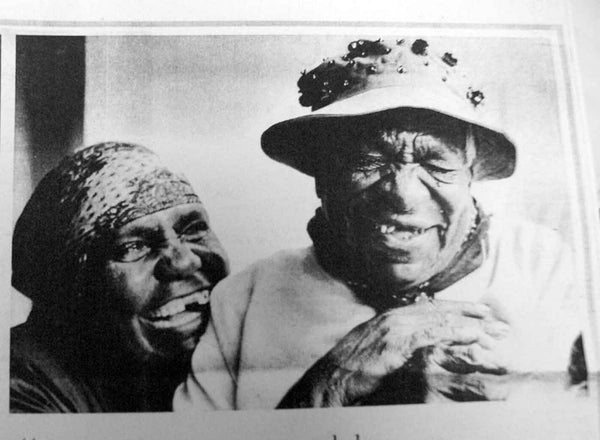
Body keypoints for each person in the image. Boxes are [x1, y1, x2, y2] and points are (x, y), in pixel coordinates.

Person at [173, 38, 583, 410]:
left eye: (435, 164)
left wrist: (532, 404)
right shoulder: (246, 299)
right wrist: (331, 382)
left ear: (470, 175)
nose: (403, 194)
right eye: (367, 162)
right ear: (322, 178)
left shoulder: (548, 267)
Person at [11, 142, 229, 412]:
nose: (185, 261)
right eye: (133, 246)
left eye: (194, 228)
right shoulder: (20, 387)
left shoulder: (226, 358)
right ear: (72, 287)